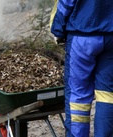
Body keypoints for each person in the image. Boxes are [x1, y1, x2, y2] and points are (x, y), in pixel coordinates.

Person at [50, 0, 113, 136]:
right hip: (111, 36)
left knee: (78, 97)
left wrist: (57, 29)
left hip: (83, 33)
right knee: (108, 96)